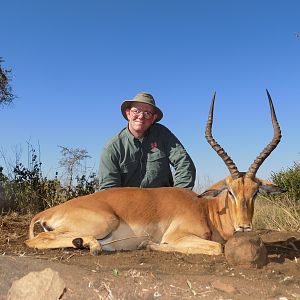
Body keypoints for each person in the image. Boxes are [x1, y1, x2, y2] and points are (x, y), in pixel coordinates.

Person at [98, 92, 196, 190]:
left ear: (153, 118)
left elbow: (185, 165)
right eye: (136, 111)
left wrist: (178, 198)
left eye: (147, 113)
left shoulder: (163, 135)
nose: (141, 116)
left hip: (163, 202)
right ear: (128, 114)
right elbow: (108, 190)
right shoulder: (112, 147)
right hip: (126, 204)